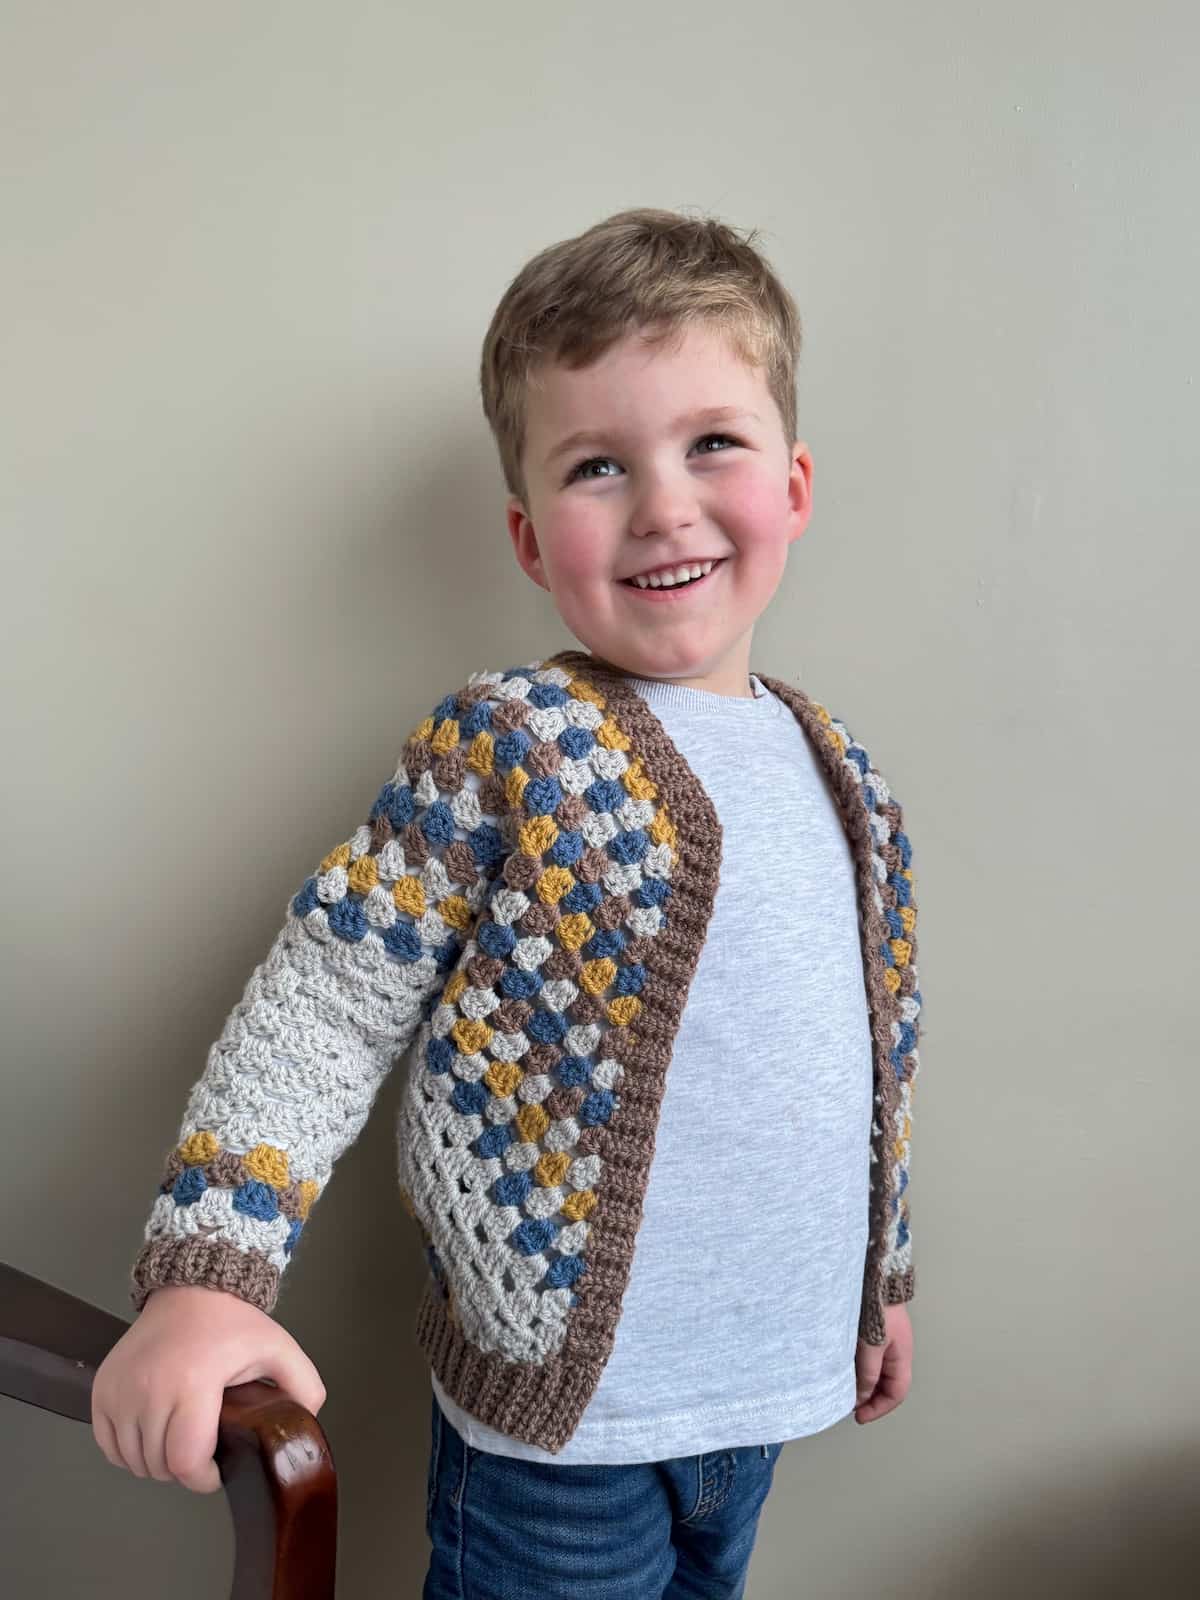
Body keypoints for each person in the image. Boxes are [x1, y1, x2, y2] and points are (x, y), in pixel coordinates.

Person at [92, 206, 923, 1599]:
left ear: (794, 484)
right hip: (560, 1437)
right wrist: (208, 1276)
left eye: (712, 442)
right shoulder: (510, 747)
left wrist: (880, 1277)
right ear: (533, 540)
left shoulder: (847, 776)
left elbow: (870, 1063)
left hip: (764, 1401)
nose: (663, 503)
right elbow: (325, 1002)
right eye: (599, 466)